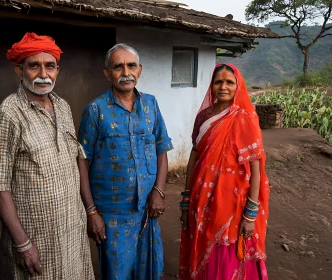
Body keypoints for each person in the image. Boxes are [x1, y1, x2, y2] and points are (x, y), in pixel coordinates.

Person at [0, 32, 94, 279]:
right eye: (34, 66)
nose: (43, 74)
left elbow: (76, 159)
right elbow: (0, 187)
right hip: (35, 238)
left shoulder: (63, 107)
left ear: (58, 70)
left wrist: (89, 211)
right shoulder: (8, 115)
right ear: (19, 70)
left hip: (70, 230)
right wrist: (23, 244)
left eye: (50, 66)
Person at [78, 43, 173, 279]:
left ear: (139, 70)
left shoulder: (151, 104)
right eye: (118, 67)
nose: (126, 72)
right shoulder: (95, 110)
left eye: (131, 66)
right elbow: (82, 162)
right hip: (112, 214)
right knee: (117, 271)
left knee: (148, 268)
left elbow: (162, 148)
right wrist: (91, 213)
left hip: (147, 209)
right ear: (107, 72)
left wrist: (158, 192)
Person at [179, 64, 270, 280]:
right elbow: (194, 156)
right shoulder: (204, 117)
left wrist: (250, 214)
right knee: (203, 249)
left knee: (227, 252)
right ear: (212, 85)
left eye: (229, 82)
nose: (223, 86)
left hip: (233, 206)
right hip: (202, 199)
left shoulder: (244, 118)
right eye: (218, 81)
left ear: (238, 86)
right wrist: (186, 198)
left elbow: (255, 170)